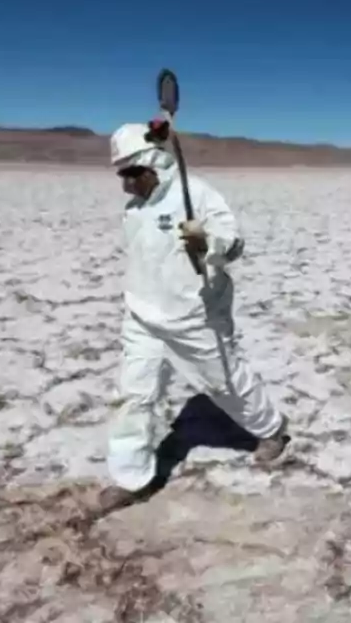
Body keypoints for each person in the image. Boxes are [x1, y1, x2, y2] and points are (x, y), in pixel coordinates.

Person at [99, 121, 289, 512]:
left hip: (193, 316)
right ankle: (131, 478)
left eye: (133, 172)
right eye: (122, 174)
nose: (126, 183)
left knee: (225, 383)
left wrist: (207, 242)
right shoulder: (135, 208)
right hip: (143, 315)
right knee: (134, 397)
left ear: (155, 163)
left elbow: (233, 244)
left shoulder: (196, 194)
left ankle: (272, 430)